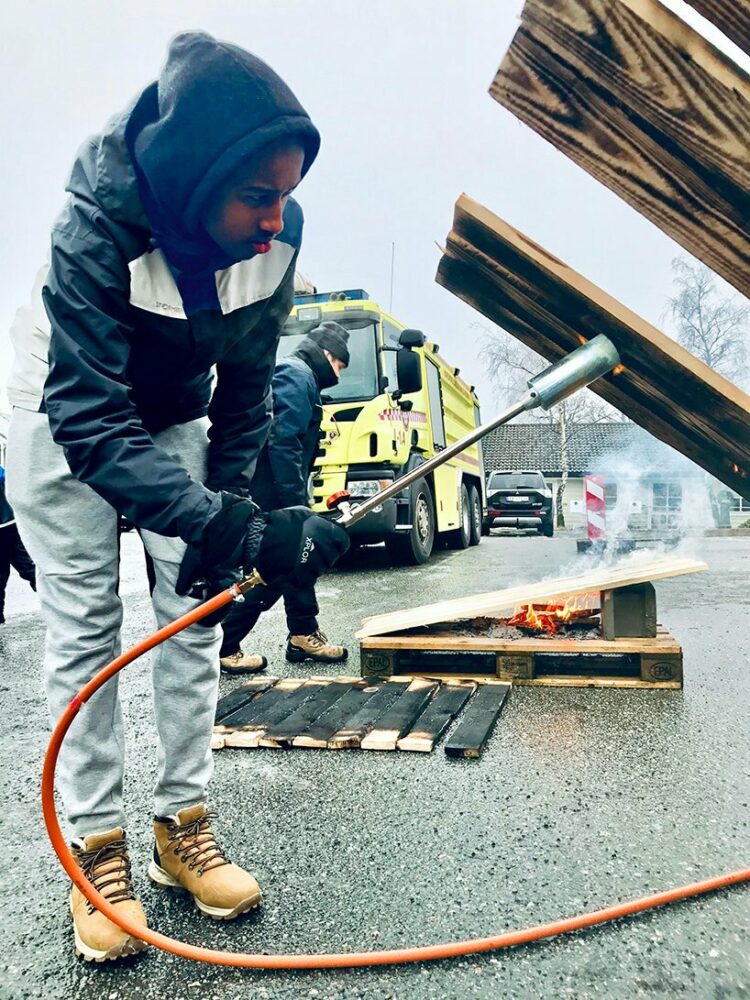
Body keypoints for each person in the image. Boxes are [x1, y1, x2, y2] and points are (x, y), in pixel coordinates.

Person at [6, 31, 348, 963]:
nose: (278, 220)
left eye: (287, 196)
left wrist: (232, 519)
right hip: (65, 408)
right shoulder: (95, 222)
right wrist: (215, 515)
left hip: (172, 412)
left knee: (196, 609)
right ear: (199, 180)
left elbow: (244, 389)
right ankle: (98, 851)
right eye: (258, 197)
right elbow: (89, 419)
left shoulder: (278, 240)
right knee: (85, 627)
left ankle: (180, 826)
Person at [219, 322, 351, 673]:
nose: (338, 375)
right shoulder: (296, 374)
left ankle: (302, 634)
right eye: (339, 365)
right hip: (272, 491)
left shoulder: (301, 375)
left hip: (273, 487)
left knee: (296, 563)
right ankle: (224, 642)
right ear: (326, 354)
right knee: (275, 567)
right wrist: (296, 506)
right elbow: (283, 440)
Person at [0, 466, 36, 624]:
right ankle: (63, 606)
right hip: (12, 523)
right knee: (30, 568)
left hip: (8, 524)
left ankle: (62, 606)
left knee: (30, 569)